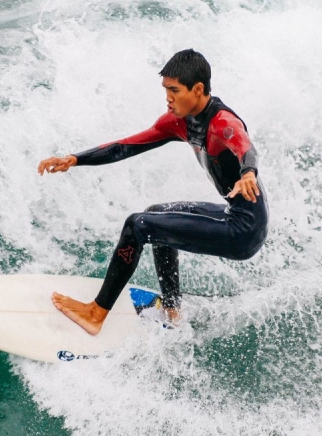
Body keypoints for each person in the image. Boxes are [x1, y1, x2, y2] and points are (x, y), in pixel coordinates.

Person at [37, 49, 268, 336]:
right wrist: (75, 159)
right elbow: (125, 146)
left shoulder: (222, 123)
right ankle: (172, 310)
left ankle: (96, 313)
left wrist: (248, 172)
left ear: (198, 90)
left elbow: (246, 146)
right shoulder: (179, 122)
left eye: (174, 90)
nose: (168, 98)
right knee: (156, 215)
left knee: (138, 225)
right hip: (234, 214)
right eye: (166, 90)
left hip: (244, 231)